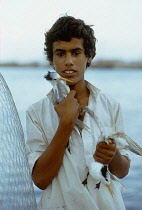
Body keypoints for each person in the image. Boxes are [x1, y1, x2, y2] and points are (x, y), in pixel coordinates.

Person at [26, 15, 130, 210]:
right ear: (51, 59)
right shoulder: (36, 112)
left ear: (88, 56)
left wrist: (113, 155)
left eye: (76, 52)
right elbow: (40, 179)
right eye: (60, 54)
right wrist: (65, 124)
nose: (68, 61)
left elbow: (123, 171)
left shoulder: (110, 105)